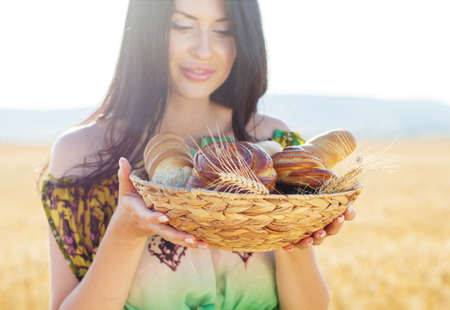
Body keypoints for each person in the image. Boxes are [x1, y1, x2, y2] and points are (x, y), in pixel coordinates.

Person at [39, 0, 356, 309]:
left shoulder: (273, 141)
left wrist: (294, 236)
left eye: (224, 30)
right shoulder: (82, 154)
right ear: (147, 29)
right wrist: (126, 230)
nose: (204, 50)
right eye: (182, 25)